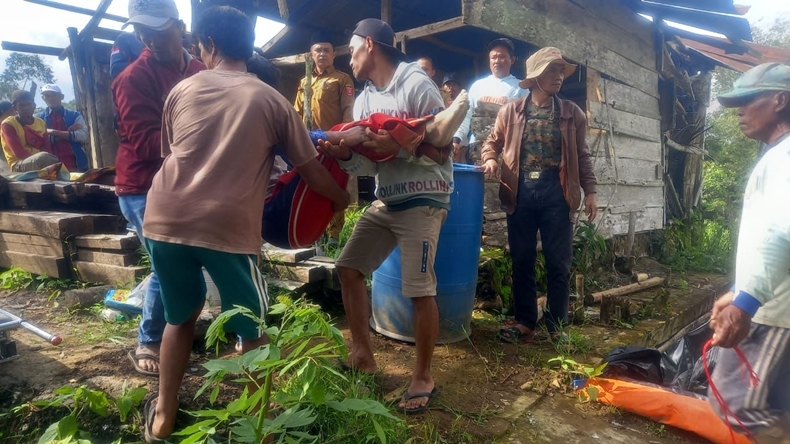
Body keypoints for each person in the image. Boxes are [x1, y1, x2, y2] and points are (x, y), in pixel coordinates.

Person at [141, 7, 350, 442]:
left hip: (162, 219)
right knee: (253, 330)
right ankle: (259, 429)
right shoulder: (271, 100)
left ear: (209, 45)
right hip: (226, 228)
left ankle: (163, 417)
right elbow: (312, 173)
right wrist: (341, 199)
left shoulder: (181, 90)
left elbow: (174, 156)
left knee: (179, 318)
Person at [318, 18, 452, 415]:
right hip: (387, 200)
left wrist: (400, 144)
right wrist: (346, 153)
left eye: (352, 50)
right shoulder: (363, 101)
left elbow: (444, 149)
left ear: (370, 45)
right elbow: (369, 166)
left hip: (424, 198)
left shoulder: (415, 83)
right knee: (348, 268)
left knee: (419, 290)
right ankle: (362, 354)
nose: (349, 59)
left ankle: (423, 377)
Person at [111, 0, 205, 378]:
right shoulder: (133, 78)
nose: (150, 39)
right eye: (141, 31)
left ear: (179, 26)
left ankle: (169, 331)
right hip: (142, 186)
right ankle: (149, 339)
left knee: (178, 263)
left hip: (182, 184)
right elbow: (146, 142)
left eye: (158, 30)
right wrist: (205, 140)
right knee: (166, 266)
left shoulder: (199, 70)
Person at [481, 47, 597, 343]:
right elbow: (492, 142)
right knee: (522, 257)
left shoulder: (572, 113)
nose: (559, 76)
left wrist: (591, 191)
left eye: (561, 71)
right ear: (535, 77)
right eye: (552, 70)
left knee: (559, 260)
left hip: (557, 191)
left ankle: (557, 325)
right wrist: (490, 159)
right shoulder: (512, 111)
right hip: (519, 189)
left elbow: (582, 156)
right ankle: (525, 322)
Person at [707, 62, 790, 444]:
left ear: (780, 101)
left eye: (749, 99)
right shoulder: (778, 155)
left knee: (734, 403)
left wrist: (746, 302)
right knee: (777, 401)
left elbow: (780, 234)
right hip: (770, 300)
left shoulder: (784, 158)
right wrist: (738, 290)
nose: (739, 110)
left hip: (774, 310)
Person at [294, 31, 356, 247]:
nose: (322, 54)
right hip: (308, 146)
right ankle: (313, 234)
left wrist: (344, 139)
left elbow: (348, 111)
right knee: (310, 187)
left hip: (332, 144)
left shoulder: (342, 79)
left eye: (326, 50)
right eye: (318, 50)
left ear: (334, 54)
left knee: (335, 187)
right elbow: (297, 113)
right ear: (311, 54)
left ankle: (334, 237)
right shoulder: (305, 81)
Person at [454, 38, 527, 164]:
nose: (497, 61)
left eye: (502, 57)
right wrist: (457, 139)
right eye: (493, 57)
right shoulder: (478, 85)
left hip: (506, 149)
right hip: (476, 148)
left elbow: (525, 119)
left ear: (512, 60)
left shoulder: (521, 87)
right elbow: (466, 115)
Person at [0, 90, 60, 172]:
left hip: (41, 159)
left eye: (29, 104)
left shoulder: (41, 123)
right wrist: (43, 158)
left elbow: (47, 148)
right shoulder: (8, 124)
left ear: (34, 106)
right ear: (15, 108)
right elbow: (19, 153)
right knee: (45, 158)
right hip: (19, 163)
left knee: (51, 158)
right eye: (22, 105)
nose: (26, 108)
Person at [36, 84, 89, 172]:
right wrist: (68, 133)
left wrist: (52, 132)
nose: (51, 98)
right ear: (43, 98)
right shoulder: (38, 118)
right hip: (49, 167)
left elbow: (83, 135)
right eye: (47, 96)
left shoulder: (75, 115)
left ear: (62, 97)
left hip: (77, 163)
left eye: (54, 95)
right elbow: (37, 140)